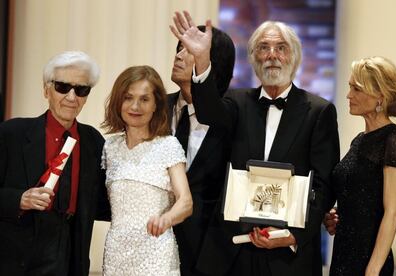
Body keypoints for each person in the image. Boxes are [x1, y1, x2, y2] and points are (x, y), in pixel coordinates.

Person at [170, 11, 340, 276]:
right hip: (233, 252)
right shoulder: (237, 102)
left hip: (289, 257)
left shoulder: (319, 111)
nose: (272, 54)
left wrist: (293, 235)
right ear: (253, 58)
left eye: (280, 48)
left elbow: (324, 184)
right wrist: (202, 61)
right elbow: (208, 112)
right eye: (263, 48)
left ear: (293, 57)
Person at [0, 51, 110, 275]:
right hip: (19, 253)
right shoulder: (12, 133)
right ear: (46, 89)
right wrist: (18, 199)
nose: (71, 97)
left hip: (72, 252)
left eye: (81, 90)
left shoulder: (94, 141)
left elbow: (101, 202)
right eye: (62, 87)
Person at [101, 65, 193, 275]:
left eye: (144, 99)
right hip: (117, 255)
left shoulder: (168, 145)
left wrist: (166, 219)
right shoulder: (110, 147)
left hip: (156, 253)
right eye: (128, 97)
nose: (135, 106)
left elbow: (186, 202)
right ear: (118, 102)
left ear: (156, 105)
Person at [324, 56, 396, 276]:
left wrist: (373, 269)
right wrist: (334, 215)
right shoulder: (359, 140)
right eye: (349, 87)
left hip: (370, 261)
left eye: (356, 89)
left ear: (379, 95)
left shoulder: (394, 140)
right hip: (343, 254)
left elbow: (393, 212)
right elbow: (358, 195)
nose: (348, 95)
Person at [168, 25, 235, 276]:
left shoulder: (232, 116)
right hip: (155, 243)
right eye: (178, 48)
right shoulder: (155, 109)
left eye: (189, 50)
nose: (178, 56)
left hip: (210, 256)